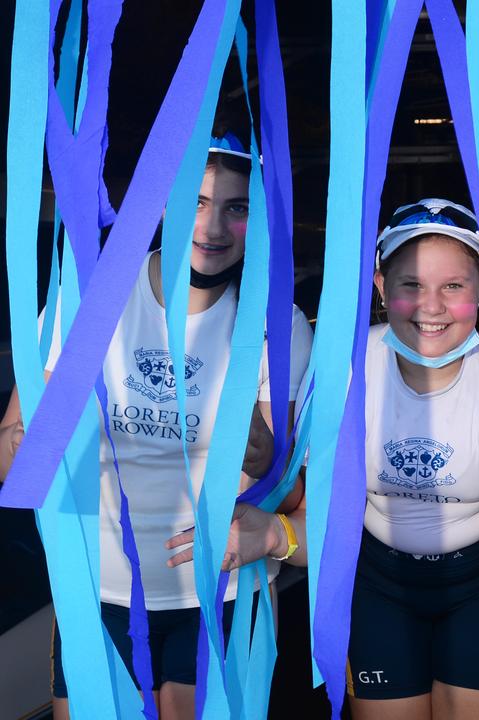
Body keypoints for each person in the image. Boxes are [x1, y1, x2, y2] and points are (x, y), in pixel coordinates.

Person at [169, 198, 479, 720]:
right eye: (411, 286)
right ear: (380, 287)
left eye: (453, 286)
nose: (432, 306)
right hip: (378, 581)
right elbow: (326, 526)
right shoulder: (343, 378)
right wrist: (273, 531)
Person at [0, 131, 314, 719]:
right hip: (97, 591)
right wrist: (23, 451)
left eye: (236, 207)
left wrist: (265, 455)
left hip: (216, 595)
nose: (214, 227)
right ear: (161, 200)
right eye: (195, 201)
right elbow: (9, 455)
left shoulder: (276, 326)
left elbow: (296, 501)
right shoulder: (90, 297)